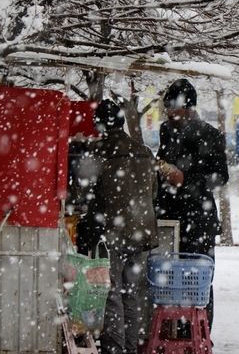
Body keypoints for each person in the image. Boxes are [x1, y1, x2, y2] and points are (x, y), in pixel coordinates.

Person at [76, 99, 158, 354]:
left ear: (99, 124)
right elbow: (152, 192)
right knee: (130, 294)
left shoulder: (99, 152)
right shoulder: (144, 151)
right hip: (140, 232)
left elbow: (83, 194)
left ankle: (115, 350)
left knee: (111, 295)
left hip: (112, 232)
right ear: (122, 121)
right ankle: (130, 348)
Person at [155, 78, 229, 327]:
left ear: (188, 108)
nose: (169, 114)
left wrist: (185, 179)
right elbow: (163, 161)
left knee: (198, 280)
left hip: (198, 218)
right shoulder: (166, 131)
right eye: (167, 109)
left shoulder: (210, 135)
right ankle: (172, 331)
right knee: (168, 281)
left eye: (173, 109)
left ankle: (200, 330)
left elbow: (220, 177)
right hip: (169, 216)